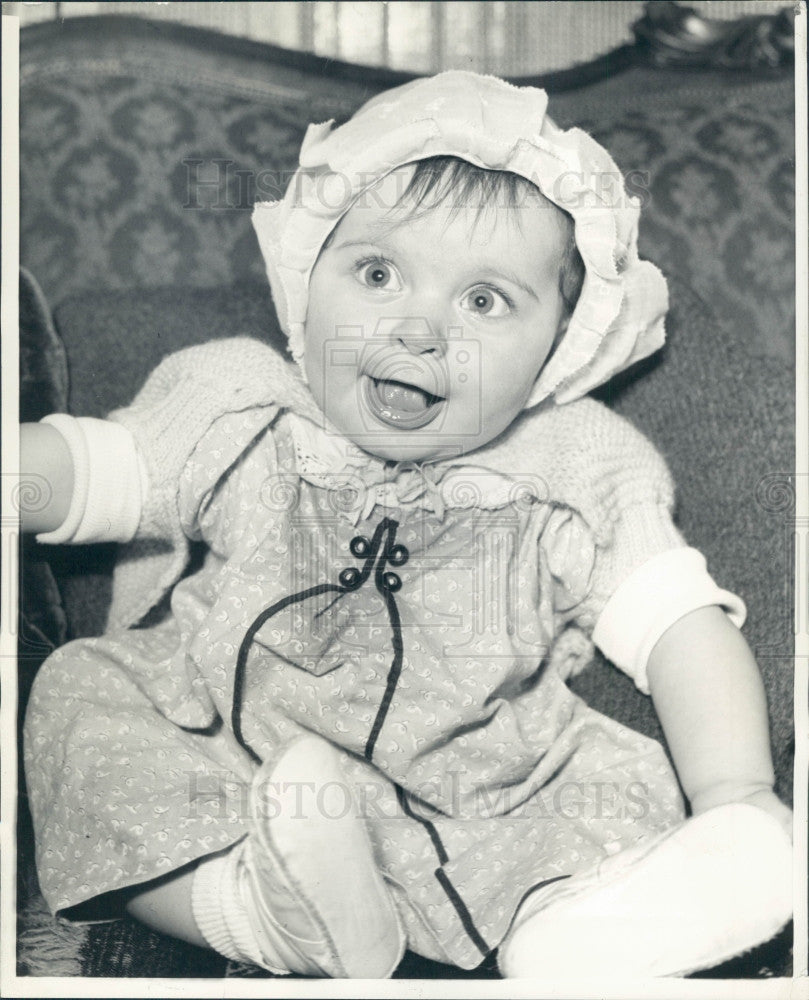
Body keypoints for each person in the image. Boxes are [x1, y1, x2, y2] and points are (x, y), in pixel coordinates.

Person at [20, 71, 792, 979]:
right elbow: (99, 470)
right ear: (307, 285)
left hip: (482, 785)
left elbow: (678, 628)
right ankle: (250, 910)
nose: (419, 328)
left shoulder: (574, 464)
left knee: (597, 805)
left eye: (483, 301)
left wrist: (735, 793)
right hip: (228, 751)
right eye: (379, 273)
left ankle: (573, 934)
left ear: (561, 346)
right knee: (84, 709)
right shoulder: (243, 403)